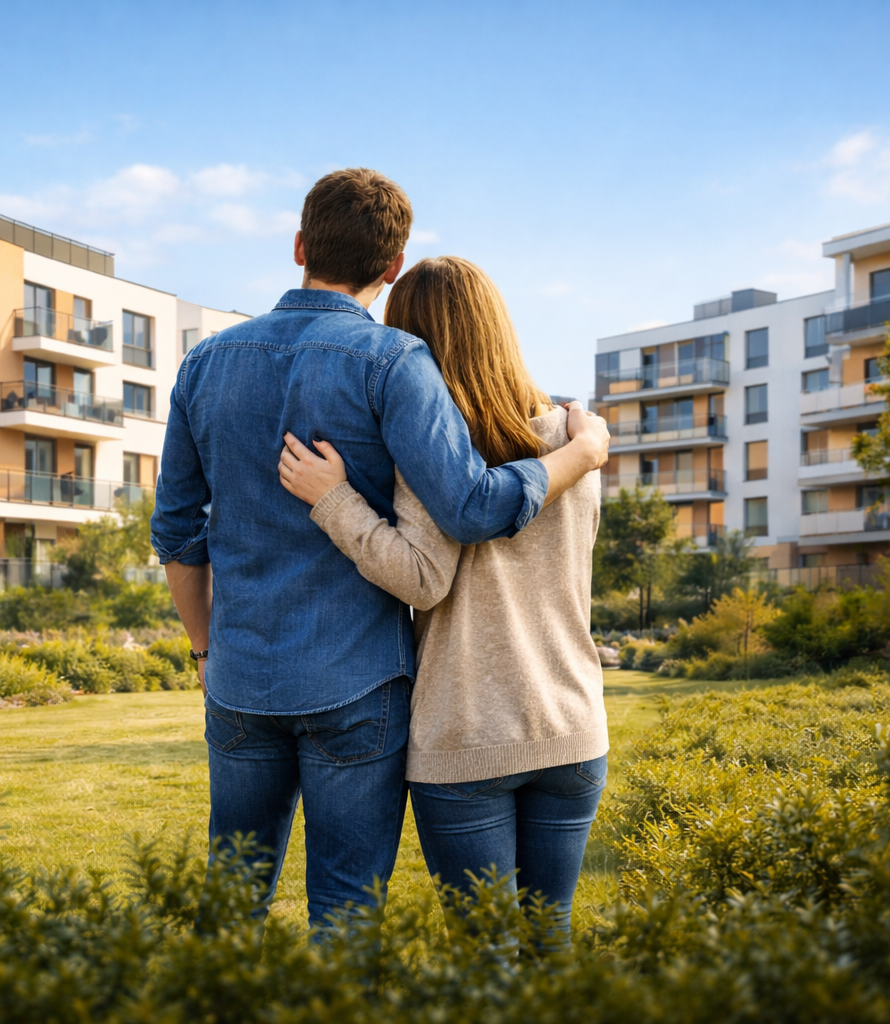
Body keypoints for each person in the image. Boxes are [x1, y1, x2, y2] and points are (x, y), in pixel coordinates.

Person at [151, 168, 610, 928]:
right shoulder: (396, 363)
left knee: (230, 901)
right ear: (392, 266)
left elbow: (176, 530)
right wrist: (580, 454)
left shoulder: (203, 363)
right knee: (347, 912)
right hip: (358, 682)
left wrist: (204, 649)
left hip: (239, 679)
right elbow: (470, 506)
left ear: (299, 246)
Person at [277, 255, 607, 947]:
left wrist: (334, 502)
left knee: (487, 956)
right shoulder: (576, 440)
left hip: (467, 734)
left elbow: (422, 579)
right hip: (573, 727)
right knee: (549, 941)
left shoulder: (433, 451)